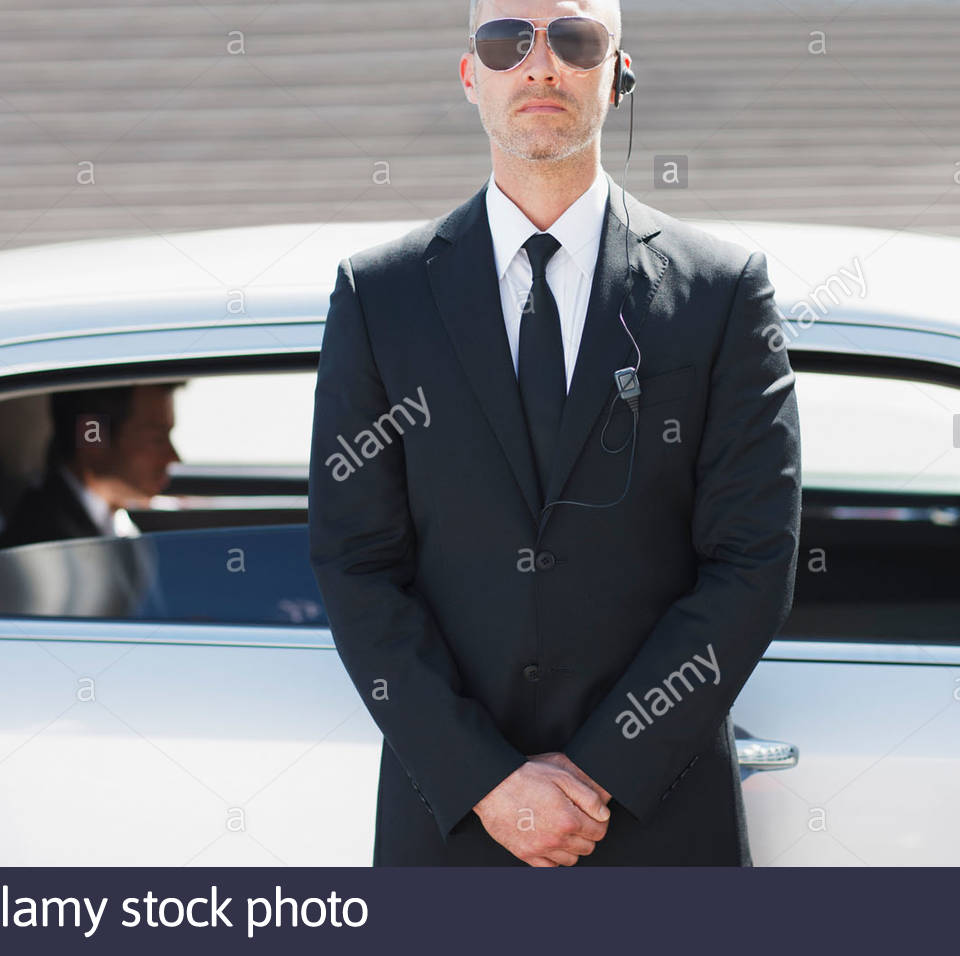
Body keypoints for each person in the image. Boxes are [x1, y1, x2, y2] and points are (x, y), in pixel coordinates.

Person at [308, 0, 800, 866]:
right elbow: (355, 560)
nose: (539, 66)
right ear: (471, 76)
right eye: (507, 40)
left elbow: (753, 560)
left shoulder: (721, 291)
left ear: (617, 74)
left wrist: (602, 770)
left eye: (573, 39)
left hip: (659, 824)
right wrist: (489, 783)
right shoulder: (378, 296)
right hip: (452, 824)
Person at [0, 383, 181, 549]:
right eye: (156, 439)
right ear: (92, 435)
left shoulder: (110, 519)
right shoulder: (44, 546)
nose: (173, 457)